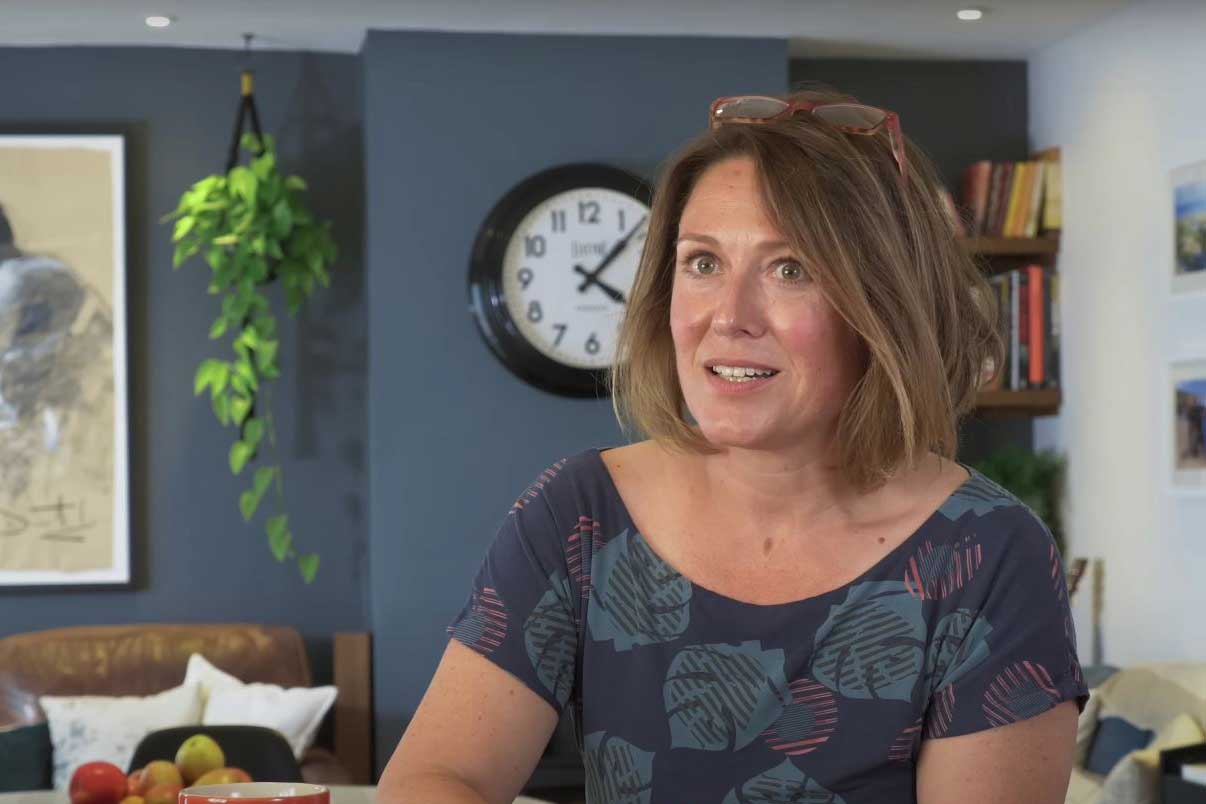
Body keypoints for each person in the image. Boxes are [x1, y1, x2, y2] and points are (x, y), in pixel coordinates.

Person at [378, 86, 1089, 804]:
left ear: (883, 305)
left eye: (791, 269)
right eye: (703, 263)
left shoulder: (992, 557)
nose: (729, 317)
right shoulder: (578, 516)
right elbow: (437, 778)